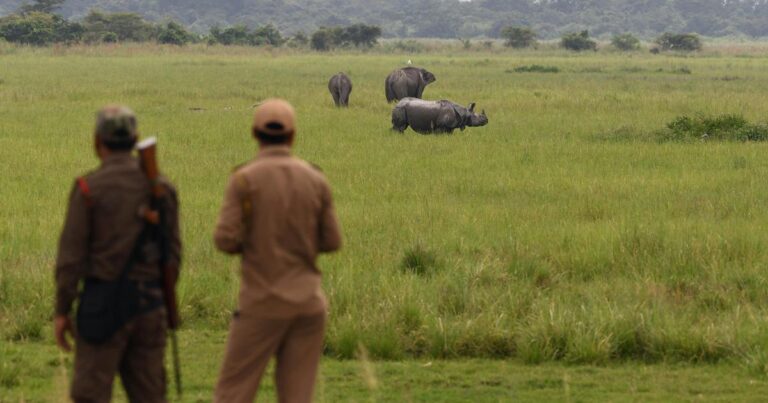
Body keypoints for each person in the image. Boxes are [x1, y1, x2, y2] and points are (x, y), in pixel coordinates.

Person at [213, 98, 342, 403]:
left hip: (261, 302)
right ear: (293, 135)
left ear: (255, 133)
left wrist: (255, 238)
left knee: (234, 391)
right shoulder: (315, 178)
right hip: (308, 305)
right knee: (297, 395)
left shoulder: (243, 180)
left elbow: (225, 241)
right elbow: (332, 241)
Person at [54, 105, 182, 403]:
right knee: (151, 395)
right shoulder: (162, 189)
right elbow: (173, 256)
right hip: (150, 306)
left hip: (101, 307)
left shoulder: (88, 189)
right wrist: (163, 299)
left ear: (97, 141)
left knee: (90, 396)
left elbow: (71, 259)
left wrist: (62, 309)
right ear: (135, 138)